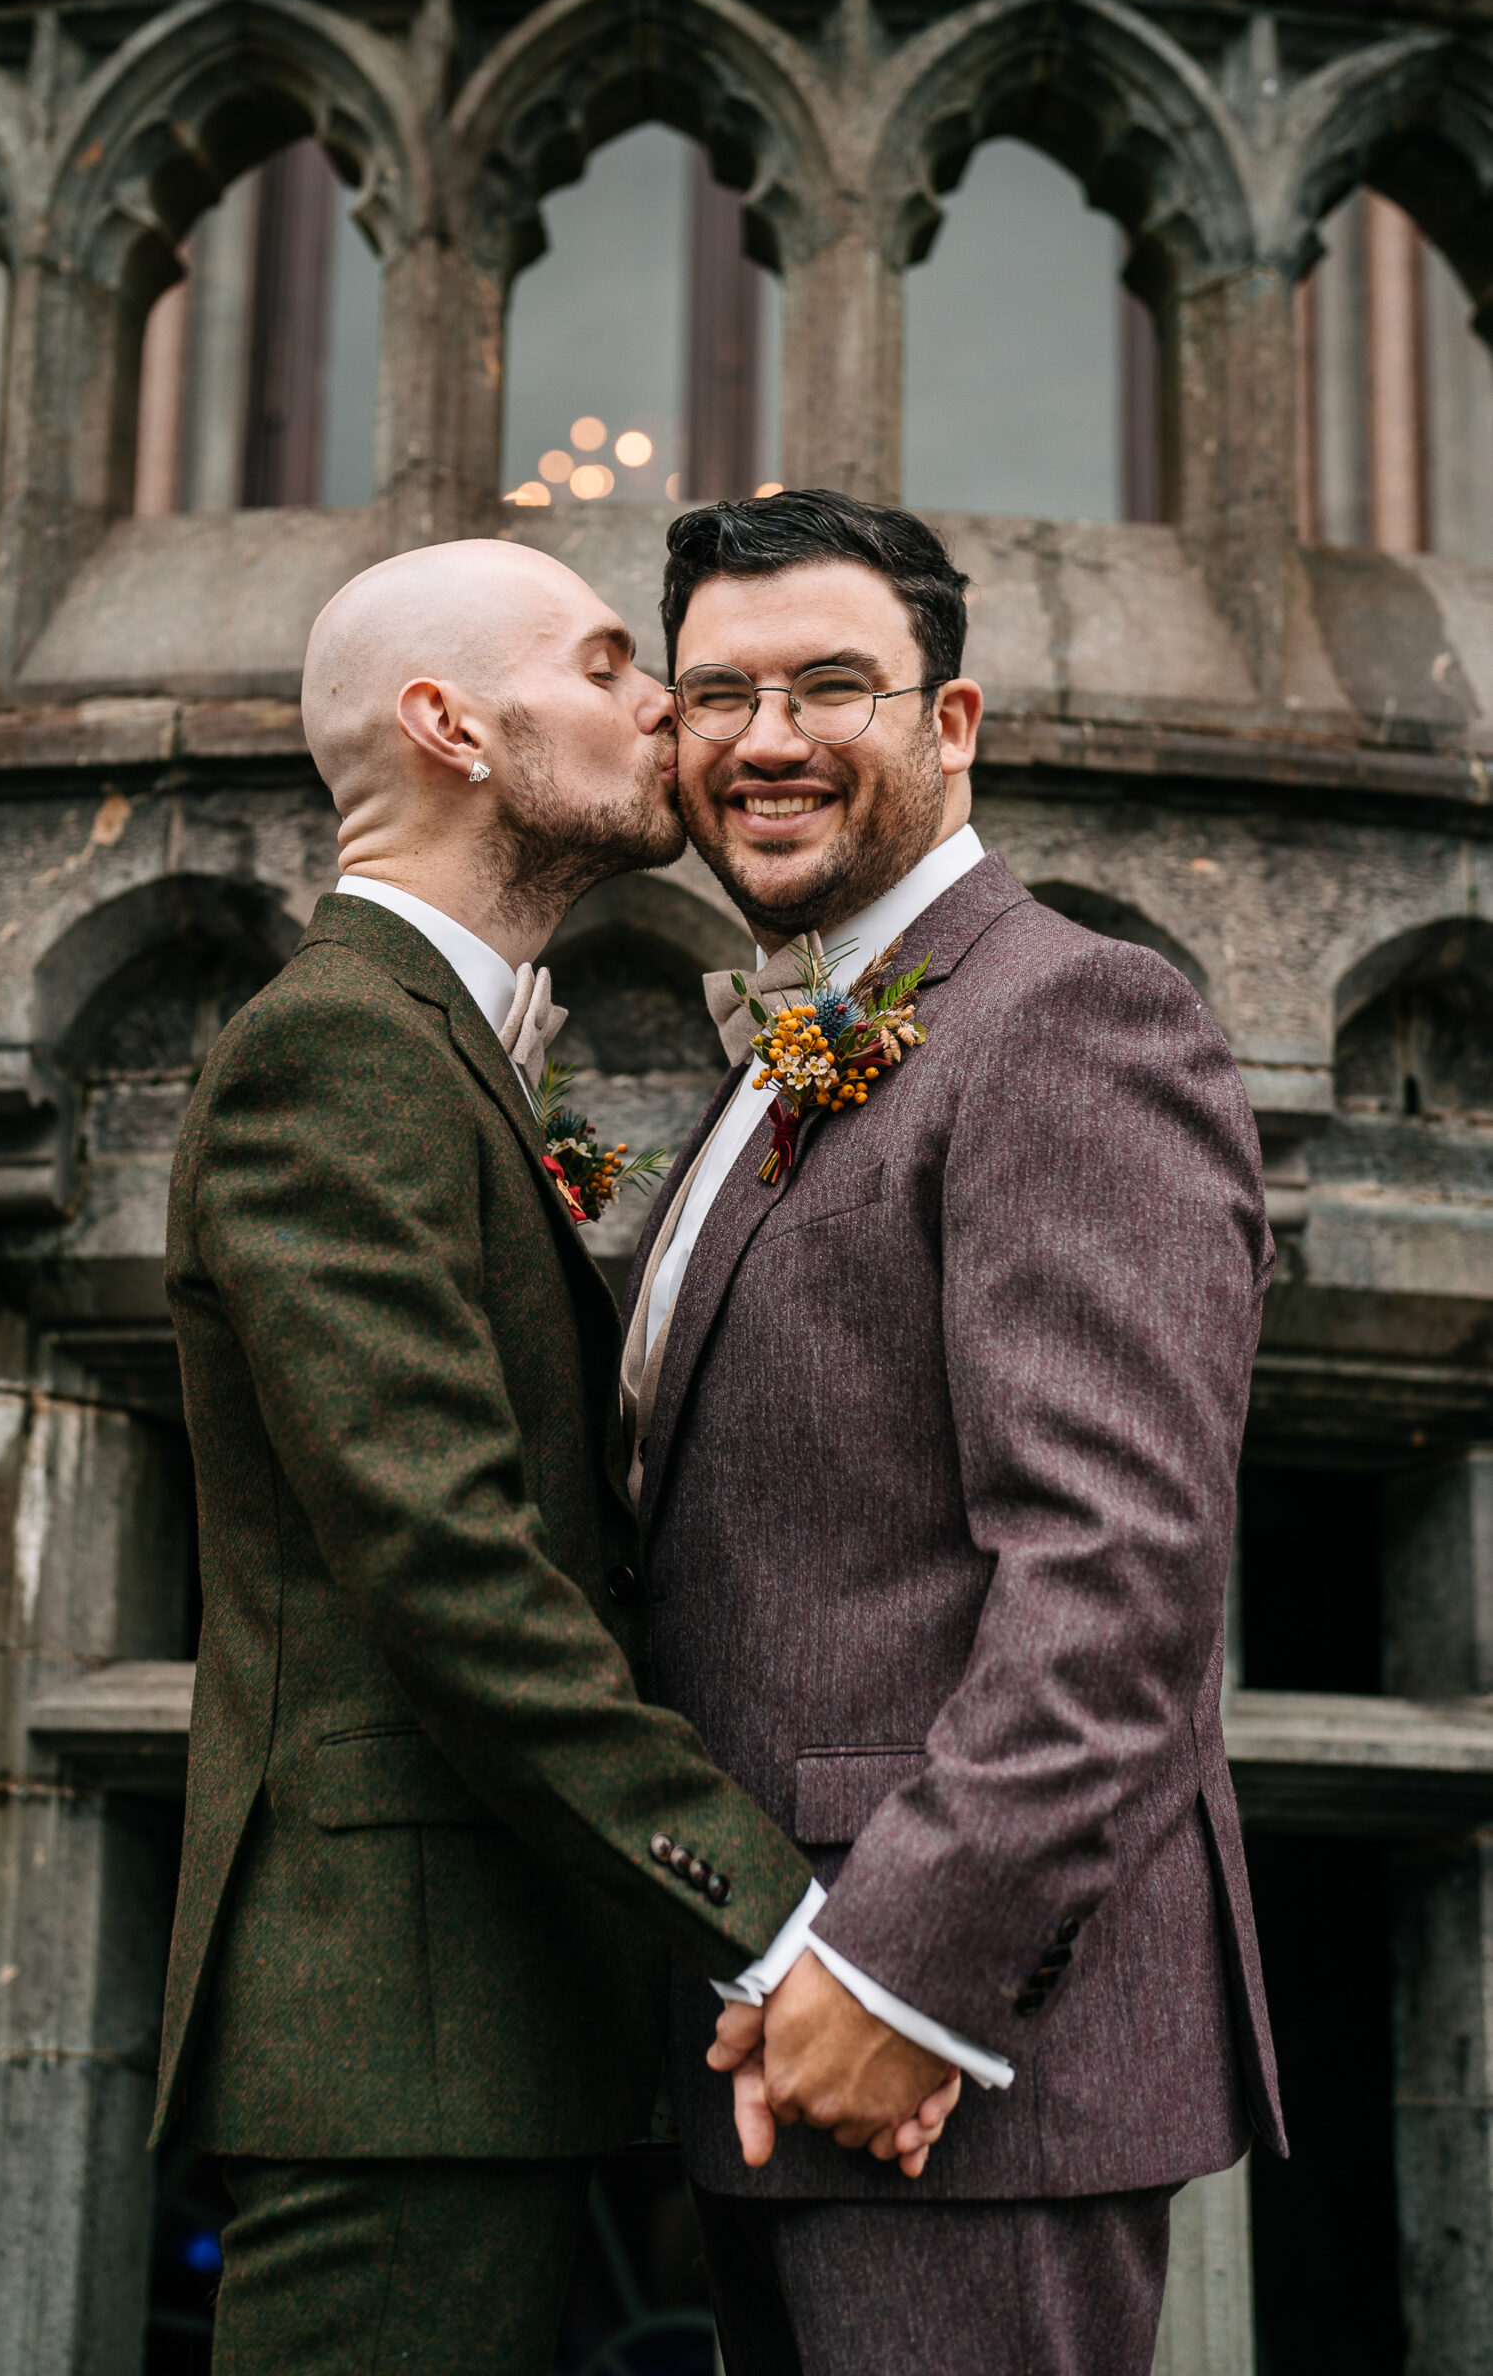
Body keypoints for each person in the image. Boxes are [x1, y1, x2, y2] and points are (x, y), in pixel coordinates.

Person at [150, 537, 953, 2376]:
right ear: (448, 725)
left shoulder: (441, 1054)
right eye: (605, 667)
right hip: (393, 2031)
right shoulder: (333, 1057)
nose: (665, 704)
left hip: (493, 2009)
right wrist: (793, 1944)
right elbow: (456, 1570)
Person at [620, 489, 1286, 2376]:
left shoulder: (1070, 1020)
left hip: (966, 2052)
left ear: (952, 724)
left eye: (833, 684)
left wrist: (900, 1972)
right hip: (773, 2035)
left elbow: (1121, 1583)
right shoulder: (781, 1058)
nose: (767, 740)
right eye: (718, 695)